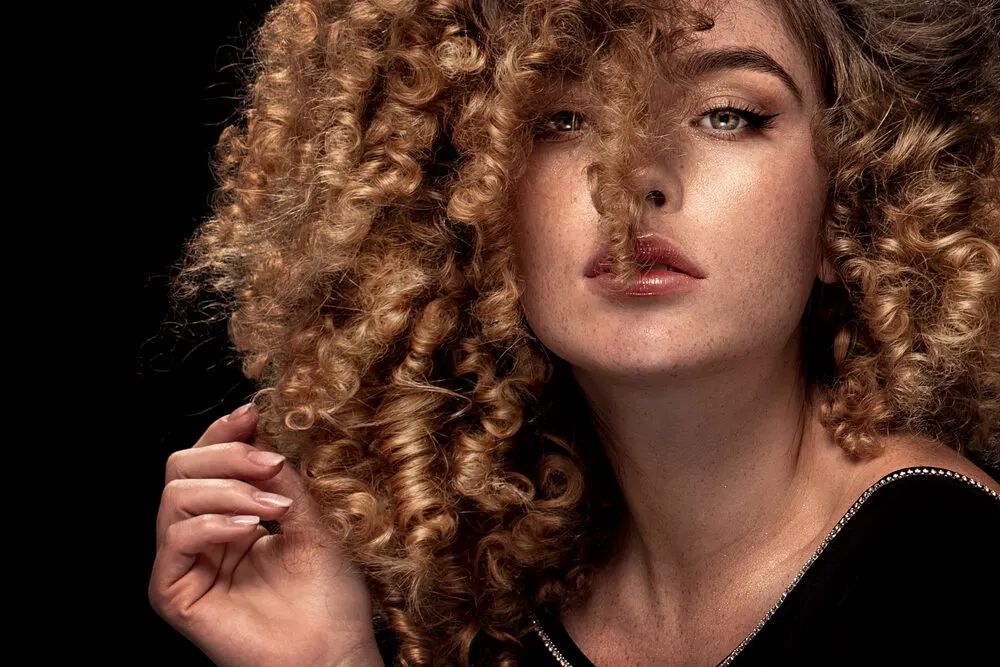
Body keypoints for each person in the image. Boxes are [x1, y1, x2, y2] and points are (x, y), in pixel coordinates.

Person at [148, 0, 1000, 665]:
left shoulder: (948, 572)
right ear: (472, 198)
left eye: (729, 113)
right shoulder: (494, 616)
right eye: (560, 120)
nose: (636, 180)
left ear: (852, 202)